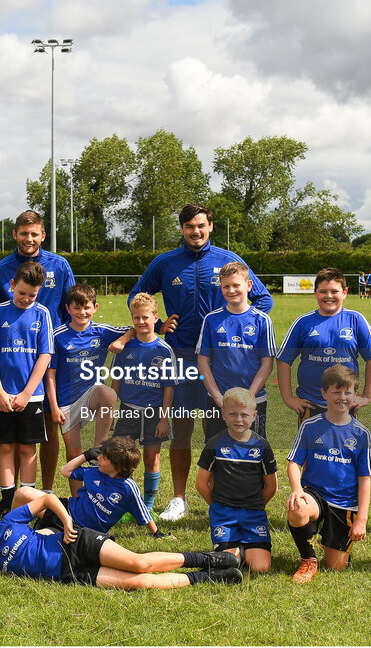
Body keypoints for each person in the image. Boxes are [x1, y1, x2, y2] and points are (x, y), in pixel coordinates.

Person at [124, 203, 273, 522]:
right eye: (190, 226)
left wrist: (233, 327)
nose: (196, 231)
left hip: (218, 363)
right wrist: (160, 322)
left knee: (215, 428)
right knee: (181, 426)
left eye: (202, 226)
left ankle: (220, 493)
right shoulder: (165, 262)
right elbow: (136, 296)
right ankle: (179, 499)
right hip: (178, 357)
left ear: (210, 226)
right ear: (181, 229)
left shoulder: (228, 261)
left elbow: (263, 299)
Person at [0, 495, 243, 588]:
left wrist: (67, 520)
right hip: (69, 575)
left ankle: (207, 558)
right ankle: (208, 577)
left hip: (75, 544)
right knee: (141, 582)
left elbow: (45, 498)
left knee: (140, 562)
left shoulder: (10, 522)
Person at [0, 210, 75, 492]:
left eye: (34, 234)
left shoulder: (59, 266)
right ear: (15, 235)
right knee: (12, 437)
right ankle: (15, 495)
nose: (29, 239)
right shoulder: (0, 271)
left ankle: (42, 491)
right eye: (24, 233)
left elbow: (72, 308)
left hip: (50, 358)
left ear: (43, 235)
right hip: (11, 362)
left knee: (46, 425)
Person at [285, 365, 371, 583]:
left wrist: (361, 519)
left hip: (345, 503)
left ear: (355, 396)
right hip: (314, 495)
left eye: (347, 392)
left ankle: (331, 540)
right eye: (336, 392)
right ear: (324, 394)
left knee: (336, 566)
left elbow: (365, 480)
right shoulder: (309, 426)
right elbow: (294, 463)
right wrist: (297, 490)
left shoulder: (362, 434)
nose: (342, 397)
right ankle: (308, 559)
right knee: (297, 508)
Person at [0, 260, 54, 518]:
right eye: (21, 293)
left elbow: (44, 356)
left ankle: (26, 501)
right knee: (5, 447)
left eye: (32, 295)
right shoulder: (0, 312)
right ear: (12, 285)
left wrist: (26, 394)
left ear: (39, 292)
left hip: (31, 397)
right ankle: (7, 500)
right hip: (0, 394)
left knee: (27, 449)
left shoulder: (42, 314)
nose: (25, 298)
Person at [46, 284, 127, 494]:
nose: (82, 312)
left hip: (91, 396)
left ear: (95, 307)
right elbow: (50, 375)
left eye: (87, 307)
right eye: (77, 308)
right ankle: (77, 498)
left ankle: (99, 450)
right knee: (73, 452)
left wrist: (122, 341)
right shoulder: (58, 335)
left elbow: (134, 329)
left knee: (107, 393)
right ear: (68, 308)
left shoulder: (102, 331)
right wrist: (54, 407)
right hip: (66, 403)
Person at [277, 268, 371, 428]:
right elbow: (283, 359)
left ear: (345, 292)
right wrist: (288, 398)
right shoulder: (303, 322)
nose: (329, 296)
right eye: (323, 291)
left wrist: (367, 396)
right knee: (311, 451)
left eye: (335, 291)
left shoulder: (355, 319)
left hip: (345, 402)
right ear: (315, 293)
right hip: (310, 404)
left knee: (346, 448)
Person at [10, 437, 173, 539]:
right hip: (63, 509)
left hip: (78, 528)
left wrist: (156, 533)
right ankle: (8, 527)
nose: (98, 458)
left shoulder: (128, 488)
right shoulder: (94, 471)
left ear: (117, 468)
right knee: (22, 493)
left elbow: (142, 512)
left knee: (36, 538)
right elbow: (65, 471)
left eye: (104, 457)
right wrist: (86, 455)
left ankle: (10, 538)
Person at [195, 388, 278, 573]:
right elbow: (201, 484)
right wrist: (217, 506)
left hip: (253, 514)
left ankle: (244, 549)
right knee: (227, 563)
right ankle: (237, 550)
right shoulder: (214, 444)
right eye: (232, 414)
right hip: (224, 516)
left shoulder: (262, 446)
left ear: (254, 415)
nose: (238, 419)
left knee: (260, 568)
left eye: (244, 414)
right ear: (223, 414)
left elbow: (272, 486)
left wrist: (254, 504)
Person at [111, 293, 178, 513]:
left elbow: (169, 387)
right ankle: (123, 503)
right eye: (136, 317)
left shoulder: (164, 351)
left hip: (154, 413)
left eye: (145, 317)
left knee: (151, 458)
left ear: (155, 317)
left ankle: (147, 507)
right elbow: (117, 380)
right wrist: (110, 410)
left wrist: (164, 419)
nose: (140, 322)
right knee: (121, 458)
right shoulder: (125, 348)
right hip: (128, 410)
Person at [196, 261, 276, 440]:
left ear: (248, 285)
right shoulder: (211, 319)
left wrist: (249, 396)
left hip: (254, 400)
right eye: (226, 286)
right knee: (216, 452)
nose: (231, 290)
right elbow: (203, 362)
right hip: (218, 401)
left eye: (235, 285)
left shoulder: (262, 320)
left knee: (253, 452)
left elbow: (267, 363)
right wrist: (218, 397)